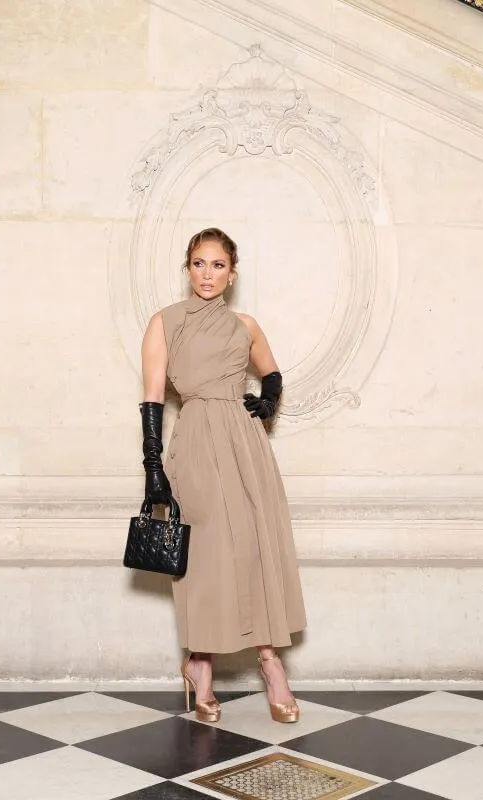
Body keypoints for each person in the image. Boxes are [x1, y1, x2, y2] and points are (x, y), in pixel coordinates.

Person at [138, 227, 307, 724]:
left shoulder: (245, 325)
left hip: (244, 443)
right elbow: (151, 397)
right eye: (198, 263)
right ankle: (201, 665)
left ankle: (271, 664)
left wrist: (268, 401)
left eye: (217, 265)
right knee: (207, 557)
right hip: (194, 441)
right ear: (187, 268)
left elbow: (272, 372)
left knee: (256, 548)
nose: (207, 274)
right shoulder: (165, 323)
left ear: (232, 275)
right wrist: (153, 467)